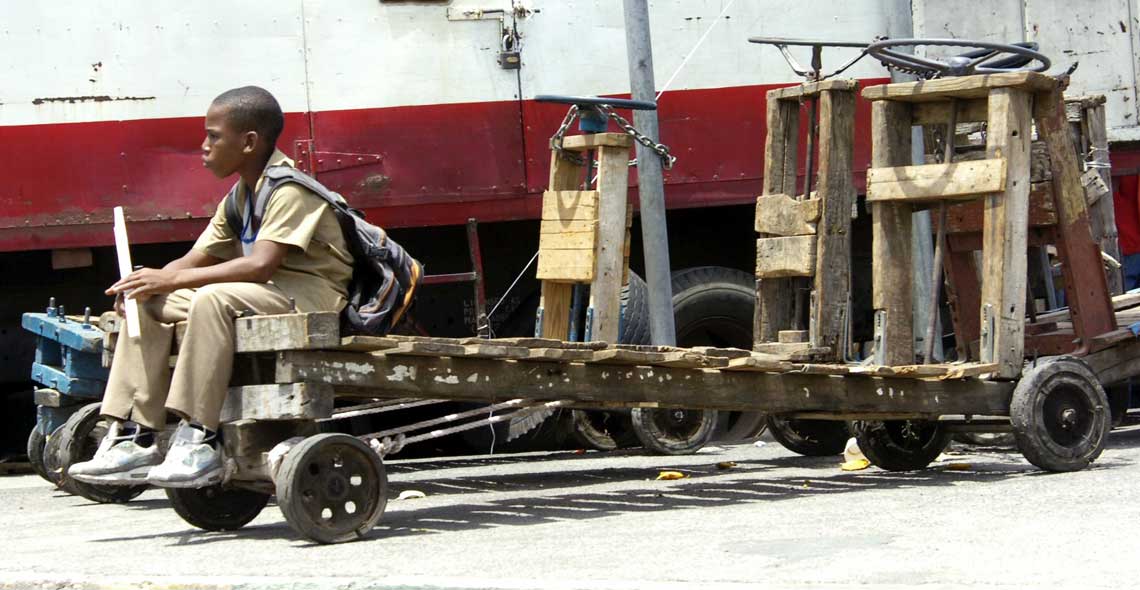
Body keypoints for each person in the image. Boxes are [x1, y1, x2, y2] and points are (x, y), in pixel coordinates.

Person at [69, 86, 354, 488]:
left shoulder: (290, 190)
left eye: (214, 136)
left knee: (212, 298)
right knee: (149, 303)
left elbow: (260, 265)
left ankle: (199, 438)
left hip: (308, 294)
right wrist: (144, 285)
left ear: (249, 142)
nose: (204, 146)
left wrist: (171, 278)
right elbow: (192, 260)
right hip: (262, 293)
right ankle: (136, 436)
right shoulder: (240, 196)